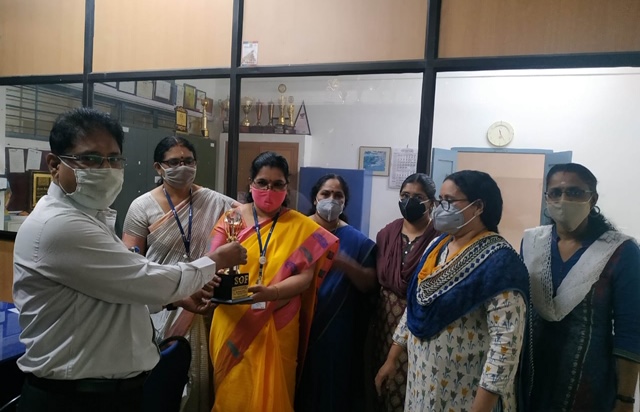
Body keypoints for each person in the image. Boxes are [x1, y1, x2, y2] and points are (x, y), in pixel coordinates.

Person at [12, 108, 247, 412]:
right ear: (55, 165)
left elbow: (118, 288)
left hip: (108, 390)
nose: (106, 169)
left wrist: (175, 299)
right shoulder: (60, 225)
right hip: (74, 398)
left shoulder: (92, 218)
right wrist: (213, 261)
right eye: (91, 159)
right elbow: (143, 279)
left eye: (113, 159)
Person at [375, 170, 529, 412]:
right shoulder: (437, 246)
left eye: (449, 201)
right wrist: (392, 358)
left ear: (478, 207)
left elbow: (505, 345)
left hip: (467, 393)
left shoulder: (501, 263)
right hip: (422, 385)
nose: (439, 208)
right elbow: (416, 304)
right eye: (440, 200)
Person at [208, 151, 339, 412]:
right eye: (262, 183)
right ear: (250, 184)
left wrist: (272, 292)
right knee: (232, 393)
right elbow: (212, 264)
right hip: (233, 319)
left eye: (278, 184)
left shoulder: (301, 226)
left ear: (286, 187)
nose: (270, 190)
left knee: (276, 392)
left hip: (280, 318)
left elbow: (305, 279)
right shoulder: (231, 219)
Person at [122, 136, 236, 412]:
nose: (182, 167)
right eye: (174, 162)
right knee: (161, 383)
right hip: (160, 305)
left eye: (188, 161)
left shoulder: (216, 202)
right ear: (158, 167)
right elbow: (131, 263)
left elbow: (249, 222)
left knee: (199, 381)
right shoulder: (142, 206)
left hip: (203, 305)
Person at [521, 163, 640, 411]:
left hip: (588, 385)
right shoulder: (532, 243)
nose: (563, 200)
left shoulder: (620, 251)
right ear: (547, 198)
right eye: (555, 192)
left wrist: (625, 399)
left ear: (592, 198)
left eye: (574, 192)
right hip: (530, 380)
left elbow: (630, 329)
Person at [296, 174, 378, 412]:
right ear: (315, 198)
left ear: (344, 202)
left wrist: (344, 263)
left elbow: (369, 284)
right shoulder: (297, 230)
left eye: (338, 195)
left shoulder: (358, 241)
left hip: (335, 331)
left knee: (331, 391)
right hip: (295, 322)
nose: (331, 200)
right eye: (325, 193)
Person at [370, 173, 439, 411]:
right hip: (384, 322)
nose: (410, 201)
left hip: (419, 324)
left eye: (418, 197)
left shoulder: (441, 239)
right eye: (405, 195)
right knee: (381, 382)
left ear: (432, 202)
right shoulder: (386, 234)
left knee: (411, 385)